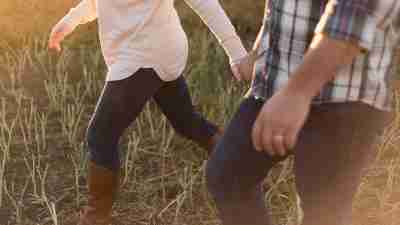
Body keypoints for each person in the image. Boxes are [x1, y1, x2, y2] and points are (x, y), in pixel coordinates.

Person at [48, 0, 250, 224]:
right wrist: (70, 20)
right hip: (160, 49)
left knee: (100, 135)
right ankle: (240, 166)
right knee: (186, 122)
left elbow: (204, 3)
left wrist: (238, 54)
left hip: (143, 56)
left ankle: (96, 218)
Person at [206, 1, 399, 225]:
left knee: (322, 212)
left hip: (343, 99)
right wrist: (259, 52)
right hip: (276, 86)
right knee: (228, 174)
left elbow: (351, 21)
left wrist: (297, 93)